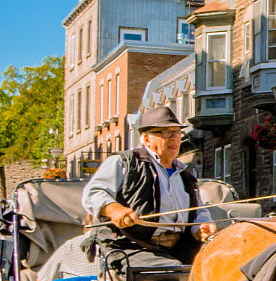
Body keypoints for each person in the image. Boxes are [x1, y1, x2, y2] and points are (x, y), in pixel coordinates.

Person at [80, 104, 217, 262]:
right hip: (132, 247)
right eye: (166, 132)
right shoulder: (125, 162)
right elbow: (93, 193)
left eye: (177, 132)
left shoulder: (185, 176)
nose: (174, 138)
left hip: (178, 249)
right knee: (172, 272)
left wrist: (201, 226)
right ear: (146, 139)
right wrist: (115, 210)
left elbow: (198, 210)